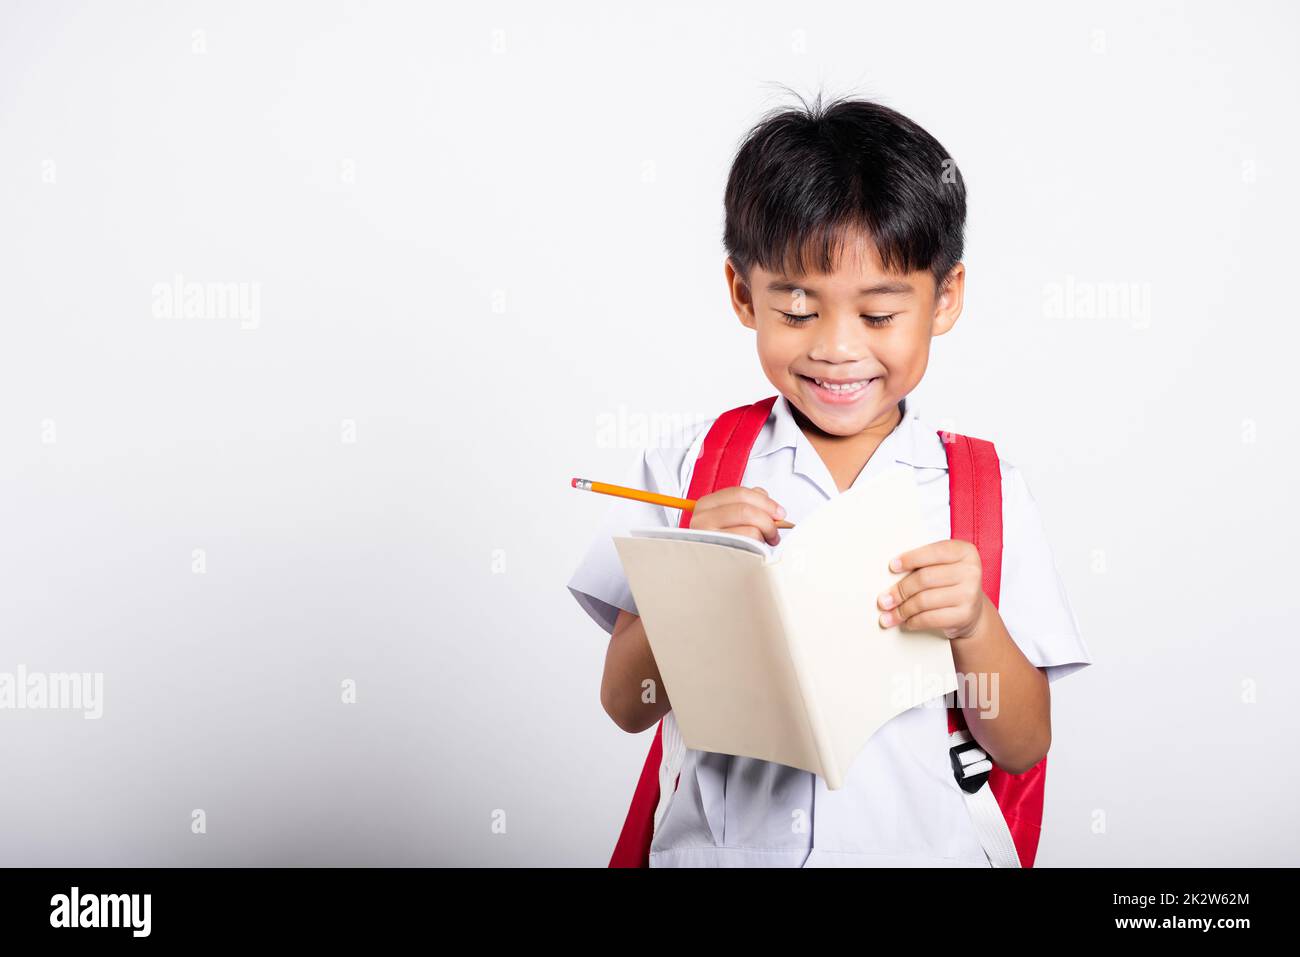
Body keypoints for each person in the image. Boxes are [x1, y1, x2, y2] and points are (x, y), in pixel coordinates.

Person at [566, 92, 1093, 867]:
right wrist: (695, 576)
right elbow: (625, 705)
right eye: (798, 309)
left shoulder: (984, 488)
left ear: (944, 298)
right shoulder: (691, 468)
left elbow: (1023, 744)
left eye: (879, 315)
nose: (838, 348)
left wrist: (975, 622)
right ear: (744, 294)